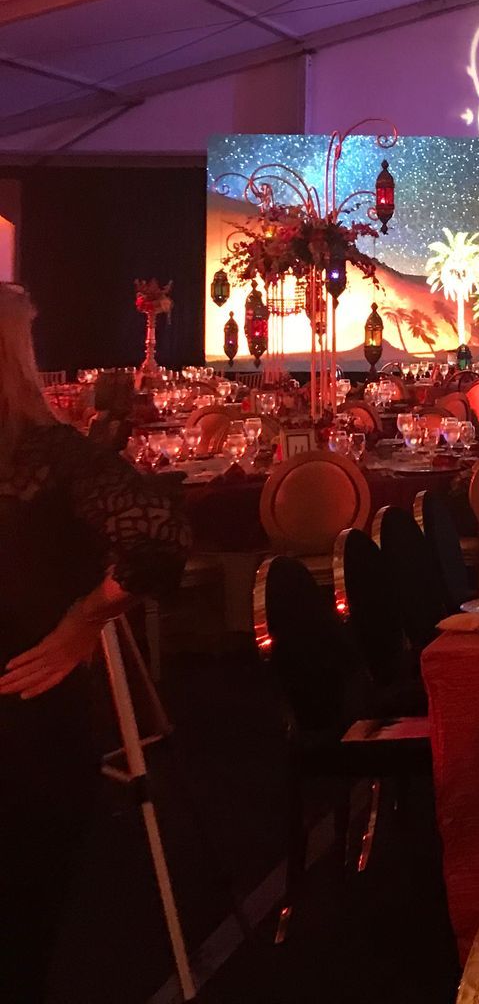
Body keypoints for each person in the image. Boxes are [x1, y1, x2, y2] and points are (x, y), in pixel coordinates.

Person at [0, 284, 187, 1000]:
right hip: (31, 724)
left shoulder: (51, 457)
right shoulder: (52, 456)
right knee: (20, 934)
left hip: (30, 720)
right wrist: (87, 618)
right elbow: (159, 536)